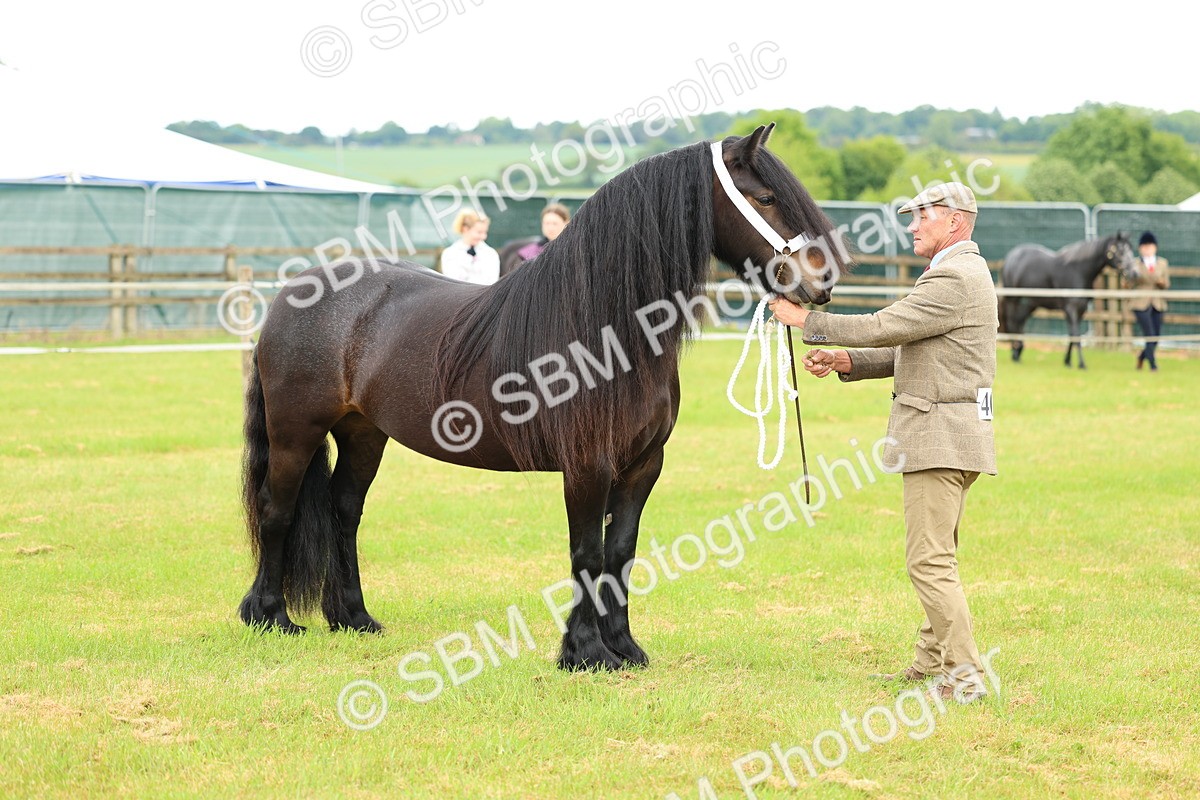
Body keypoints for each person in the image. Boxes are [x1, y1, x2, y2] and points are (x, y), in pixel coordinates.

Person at [767, 182, 996, 703]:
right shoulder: (963, 272)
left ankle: (965, 680)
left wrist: (807, 321)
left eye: (921, 216)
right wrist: (846, 361)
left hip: (940, 438)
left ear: (954, 221)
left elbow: (883, 326)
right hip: (955, 436)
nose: (912, 226)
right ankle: (929, 665)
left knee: (928, 563)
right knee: (939, 558)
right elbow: (911, 350)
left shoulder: (954, 276)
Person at [1128, 231, 1170, 371]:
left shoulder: (1162, 263)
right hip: (1140, 303)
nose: (1147, 249)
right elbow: (1128, 283)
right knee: (1150, 334)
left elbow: (1167, 283)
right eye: (1144, 246)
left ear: (1155, 247)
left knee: (1156, 337)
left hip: (1157, 303)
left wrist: (1161, 282)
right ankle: (1153, 365)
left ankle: (1141, 357)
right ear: (1140, 248)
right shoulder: (1135, 263)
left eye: (1150, 246)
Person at [440, 209, 500, 285]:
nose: (484, 236)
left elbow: (492, 282)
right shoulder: (450, 254)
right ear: (465, 229)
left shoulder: (491, 254)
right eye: (479, 232)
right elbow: (453, 282)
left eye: (485, 232)